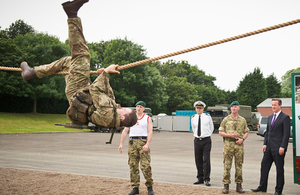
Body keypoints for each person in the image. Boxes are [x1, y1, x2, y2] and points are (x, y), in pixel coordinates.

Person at [20, 0, 137, 129]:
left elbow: (95, 89)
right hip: (78, 92)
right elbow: (108, 96)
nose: (123, 108)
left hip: (79, 89)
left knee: (82, 55)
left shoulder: (109, 113)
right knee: (68, 62)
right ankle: (32, 72)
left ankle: (72, 13)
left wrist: (106, 72)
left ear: (123, 117)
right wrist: (104, 78)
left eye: (125, 110)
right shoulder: (111, 116)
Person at [251, 98, 290, 195]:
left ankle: (278, 190)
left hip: (279, 148)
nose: (273, 107)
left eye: (275, 105)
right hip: (269, 147)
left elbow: (286, 134)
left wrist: (283, 146)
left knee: (279, 169)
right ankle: (262, 187)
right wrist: (265, 144)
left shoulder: (285, 117)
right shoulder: (270, 117)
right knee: (264, 166)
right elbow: (268, 133)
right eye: (272, 105)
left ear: (280, 106)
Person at [118, 101, 154, 195]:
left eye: (140, 107)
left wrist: (147, 144)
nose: (138, 108)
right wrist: (121, 144)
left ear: (144, 109)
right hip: (132, 143)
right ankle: (135, 187)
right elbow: (125, 131)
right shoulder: (131, 118)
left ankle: (149, 186)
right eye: (137, 106)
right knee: (133, 166)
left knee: (145, 166)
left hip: (142, 142)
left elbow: (150, 132)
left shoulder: (147, 118)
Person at [218, 101, 249, 194]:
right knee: (227, 166)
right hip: (228, 145)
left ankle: (239, 186)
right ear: (230, 108)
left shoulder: (242, 120)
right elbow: (220, 132)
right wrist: (229, 135)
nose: (234, 108)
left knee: (239, 166)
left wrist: (242, 139)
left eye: (235, 107)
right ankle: (226, 186)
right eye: (232, 107)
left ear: (238, 108)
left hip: (239, 145)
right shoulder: (226, 119)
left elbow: (246, 131)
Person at [191, 101, 214, 186]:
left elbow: (211, 128)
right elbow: (194, 128)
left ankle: (207, 179)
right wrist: (198, 136)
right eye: (197, 108)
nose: (199, 109)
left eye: (200, 108)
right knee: (198, 159)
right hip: (197, 140)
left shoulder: (207, 117)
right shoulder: (193, 117)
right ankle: (200, 178)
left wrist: (206, 135)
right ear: (195, 109)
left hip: (206, 140)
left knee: (206, 159)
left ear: (203, 109)